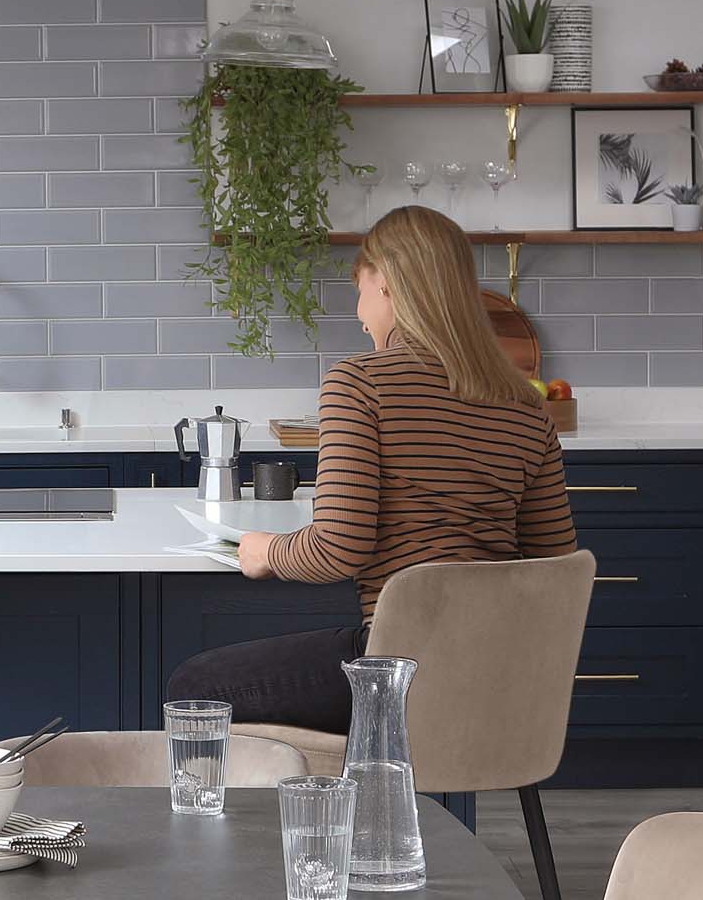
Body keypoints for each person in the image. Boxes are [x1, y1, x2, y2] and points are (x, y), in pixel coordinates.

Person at [165, 204, 577, 734]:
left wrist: (264, 551)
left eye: (359, 291)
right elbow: (555, 565)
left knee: (196, 689)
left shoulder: (359, 383)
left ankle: (323, 808)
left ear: (386, 284)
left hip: (397, 668)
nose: (359, 316)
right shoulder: (523, 403)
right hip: (497, 676)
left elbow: (339, 547)